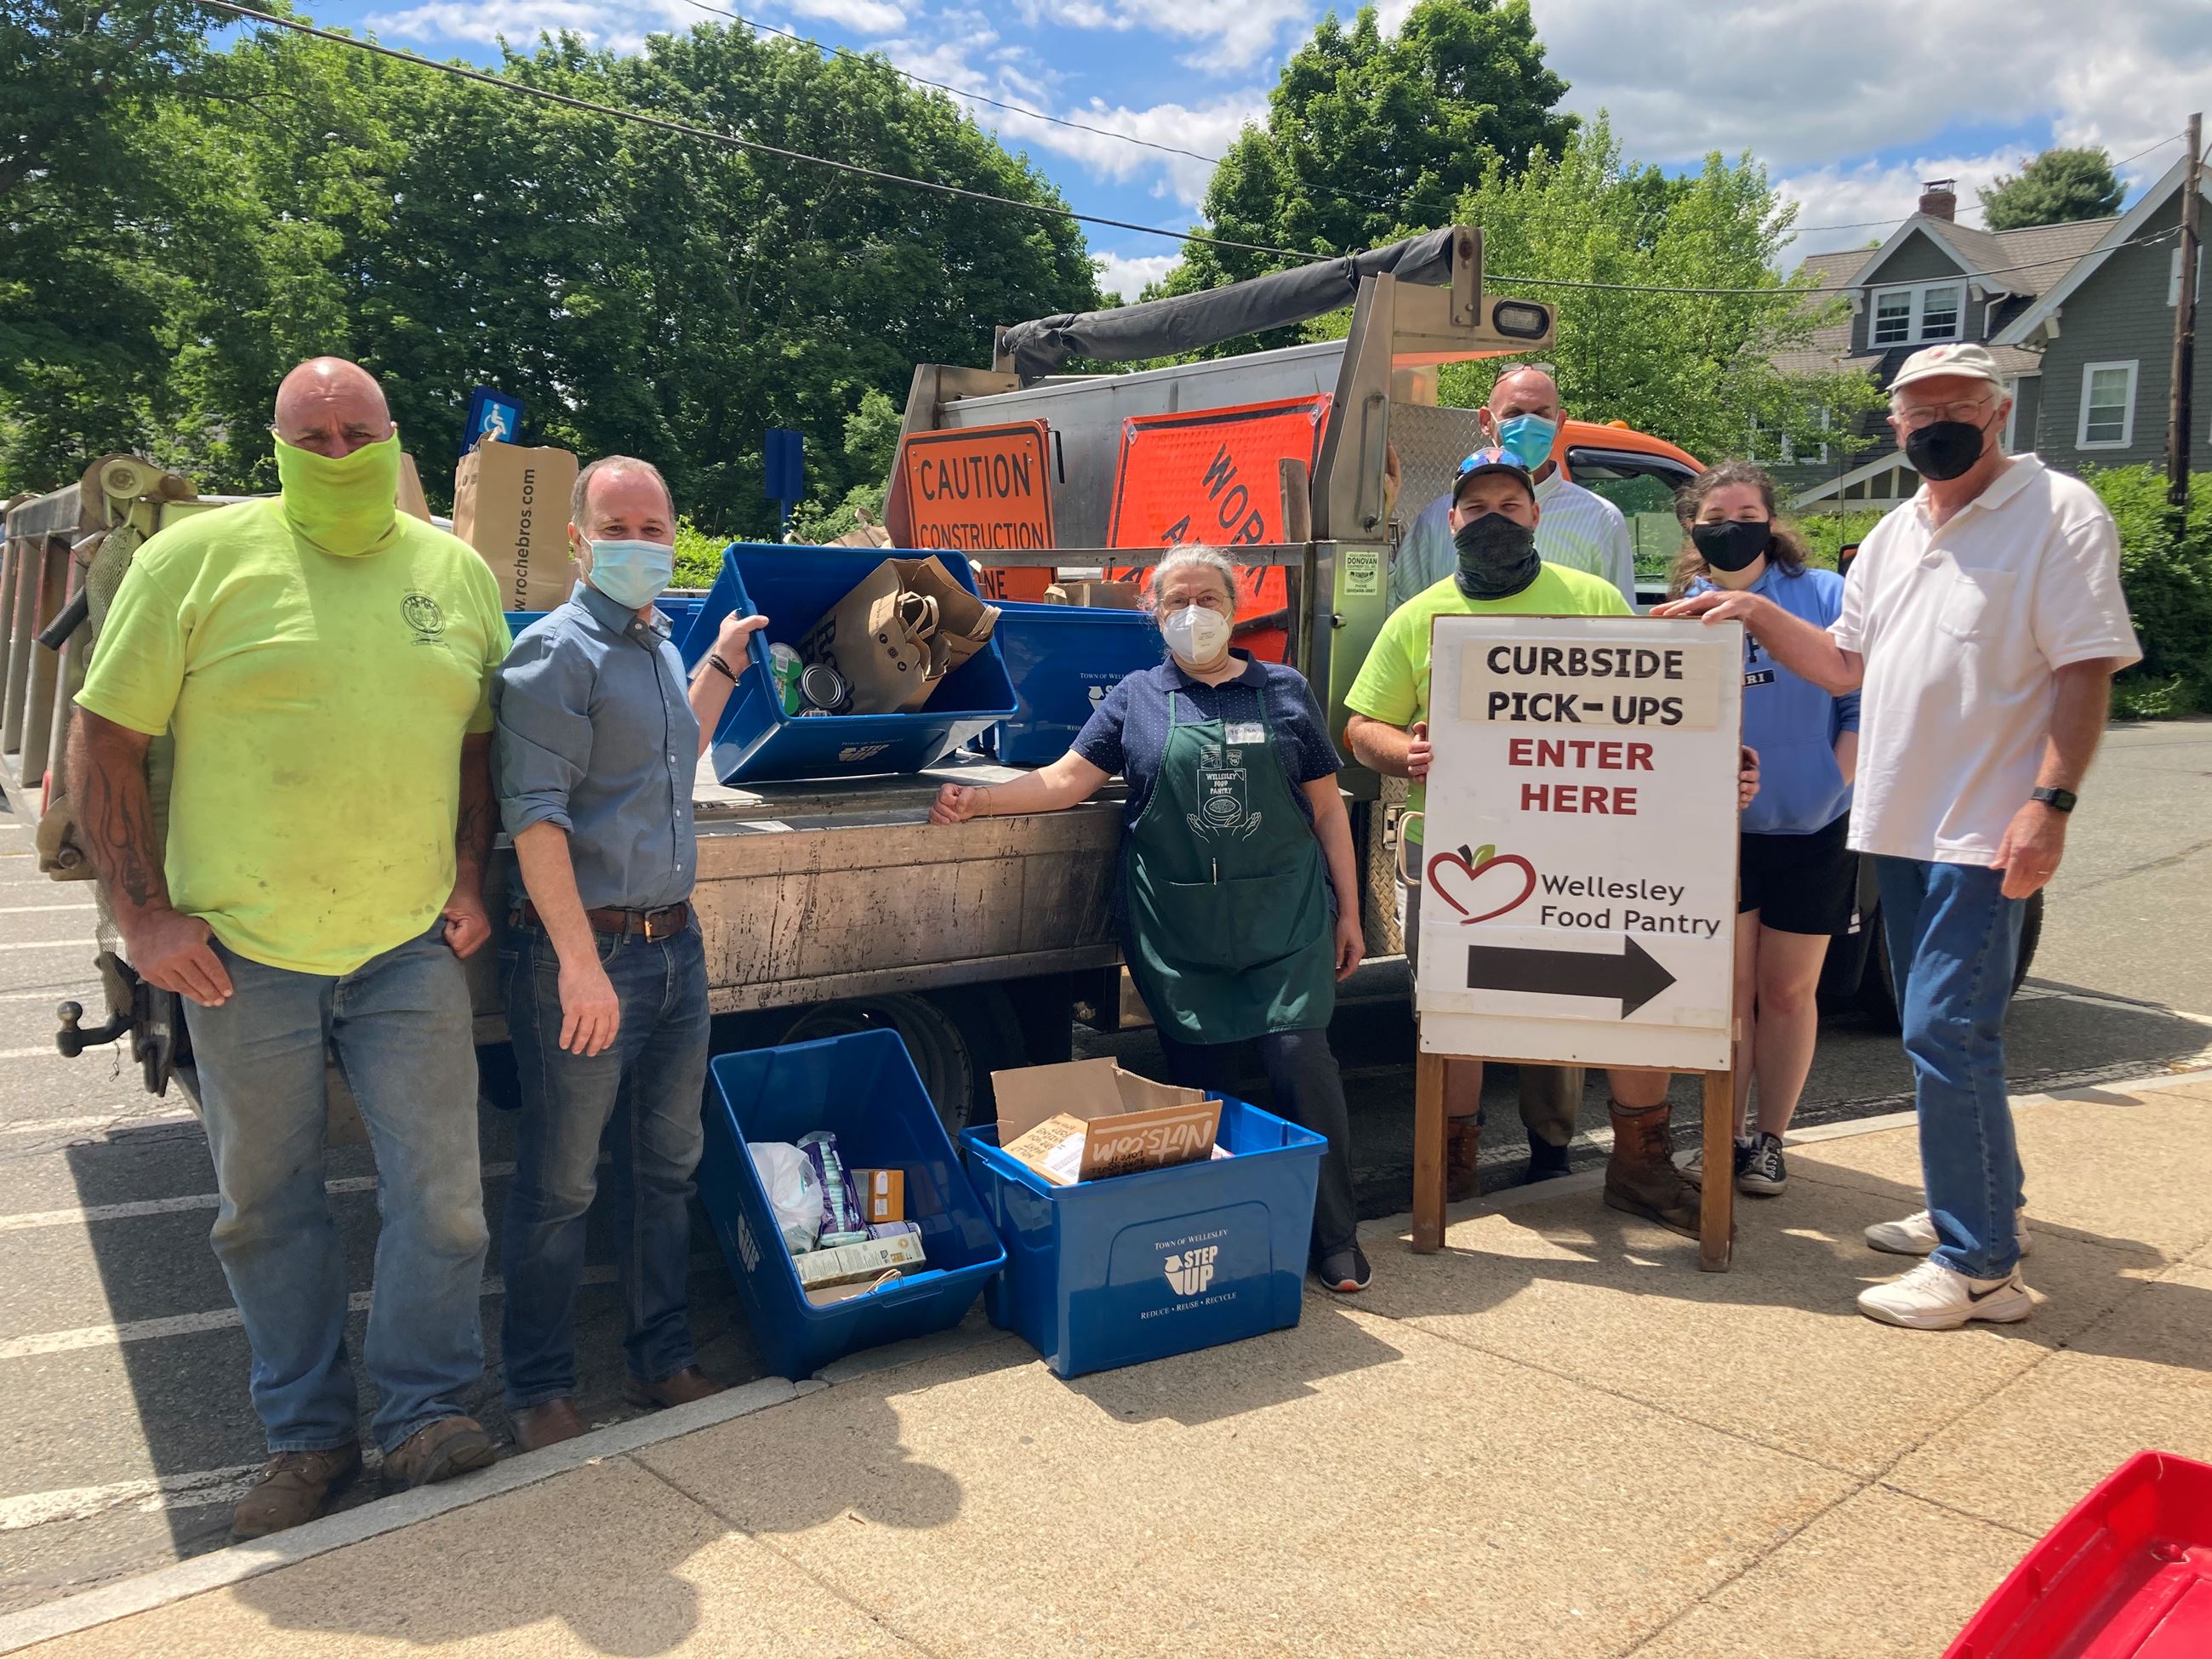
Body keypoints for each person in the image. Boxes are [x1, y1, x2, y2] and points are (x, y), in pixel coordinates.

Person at [69, 357, 509, 1537]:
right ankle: (307, 1440)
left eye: (356, 434)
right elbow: (103, 740)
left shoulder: (457, 575)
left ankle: (421, 1412)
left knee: (447, 1200)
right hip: (240, 949)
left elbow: (475, 746)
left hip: (406, 943)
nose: (334, 456)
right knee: (268, 1205)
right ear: (273, 444)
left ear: (392, 437)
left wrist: (468, 878)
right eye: (307, 437)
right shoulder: (191, 561)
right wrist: (142, 917)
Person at [1658, 343, 2141, 1327]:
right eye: (1912, 415)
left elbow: (2084, 668)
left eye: (1951, 409)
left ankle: (1978, 1266)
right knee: (1950, 1032)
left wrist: (2047, 805)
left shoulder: (2056, 514)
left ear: (1996, 412)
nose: (1929, 429)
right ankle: (1984, 1209)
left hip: (1984, 824)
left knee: (1944, 1030)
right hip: (1900, 825)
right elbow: (1842, 669)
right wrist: (1747, 608)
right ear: (1892, 426)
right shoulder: (1889, 535)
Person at [929, 545, 1373, 1291]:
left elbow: (1328, 811)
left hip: (1284, 921)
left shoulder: (1286, 690)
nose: (1193, 613)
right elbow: (1068, 780)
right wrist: (980, 798)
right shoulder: (1135, 696)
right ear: (1154, 614)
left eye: (1208, 598)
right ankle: (1220, 1236)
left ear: (1235, 608)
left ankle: (1334, 1237)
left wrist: (1351, 914)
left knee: (1302, 1061)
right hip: (1180, 929)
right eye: (1176, 602)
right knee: (1199, 1088)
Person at [1345, 447, 1758, 1235]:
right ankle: (1451, 1173)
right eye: (1476, 508)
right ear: (1451, 520)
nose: (1492, 519)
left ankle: (1641, 1167)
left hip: (1591, 850)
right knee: (1452, 1012)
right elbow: (1364, 726)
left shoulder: (1596, 598)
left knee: (1630, 1001)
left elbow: (1660, 708)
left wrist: (1712, 772)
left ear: (1537, 515)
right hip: (1463, 855)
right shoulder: (1417, 615)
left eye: (1510, 504)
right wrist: (1409, 753)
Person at [492, 456, 768, 1451]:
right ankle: (538, 1388)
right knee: (561, 1184)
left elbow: (673, 749)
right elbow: (535, 819)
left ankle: (660, 1360)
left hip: (672, 948)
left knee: (667, 1168)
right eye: (620, 527)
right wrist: (576, 964)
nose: (641, 544)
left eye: (656, 528)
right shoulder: (551, 657)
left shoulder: (654, 645)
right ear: (578, 538)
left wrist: (726, 661)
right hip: (587, 955)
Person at [1668, 462, 1860, 1199]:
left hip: (1813, 828)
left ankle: (1771, 1138)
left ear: (1771, 521)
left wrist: (1827, 784)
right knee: (1728, 992)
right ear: (1694, 527)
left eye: (1746, 511)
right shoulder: (1684, 606)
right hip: (1723, 837)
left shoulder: (1825, 596)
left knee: (1786, 993)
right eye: (1715, 515)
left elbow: (1859, 708)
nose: (1731, 524)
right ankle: (1724, 1131)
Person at [1389, 366, 1637, 611]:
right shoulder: (1435, 520)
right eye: (1515, 413)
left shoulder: (1601, 519)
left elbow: (1622, 633)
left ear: (1559, 422)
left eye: (1542, 414)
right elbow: (1399, 609)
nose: (1529, 424)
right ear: (1486, 421)